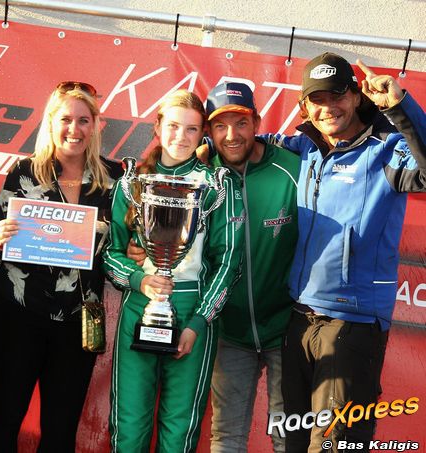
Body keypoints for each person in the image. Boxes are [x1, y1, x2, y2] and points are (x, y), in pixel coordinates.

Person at [269, 53, 426, 452]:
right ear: (305, 106)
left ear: (356, 97)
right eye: (317, 99)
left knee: (335, 446)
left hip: (352, 324)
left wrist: (400, 106)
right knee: (292, 444)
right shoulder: (304, 147)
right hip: (300, 318)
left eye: (337, 95)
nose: (328, 108)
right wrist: (201, 146)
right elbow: (243, 145)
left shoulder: (387, 148)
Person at [0, 81, 123, 453]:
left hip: (78, 320)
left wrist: (134, 252)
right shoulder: (25, 171)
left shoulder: (115, 178)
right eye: (65, 120)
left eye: (83, 120)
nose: (74, 129)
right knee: (5, 419)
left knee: (60, 430)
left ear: (95, 125)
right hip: (18, 314)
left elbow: (122, 246)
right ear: (50, 123)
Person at [103, 89, 244, 452]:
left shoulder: (218, 184)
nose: (181, 137)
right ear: (157, 127)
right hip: (139, 306)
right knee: (128, 426)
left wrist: (198, 322)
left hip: (193, 309)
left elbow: (228, 261)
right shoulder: (131, 181)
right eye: (173, 126)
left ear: (202, 134)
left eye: (192, 129)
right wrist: (139, 280)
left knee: (180, 430)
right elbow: (110, 254)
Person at [198, 82, 299, 453]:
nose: (232, 135)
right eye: (220, 126)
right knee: (227, 436)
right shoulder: (200, 176)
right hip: (229, 331)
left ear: (256, 122)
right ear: (208, 131)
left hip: (287, 329)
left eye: (240, 123)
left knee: (289, 436)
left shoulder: (291, 168)